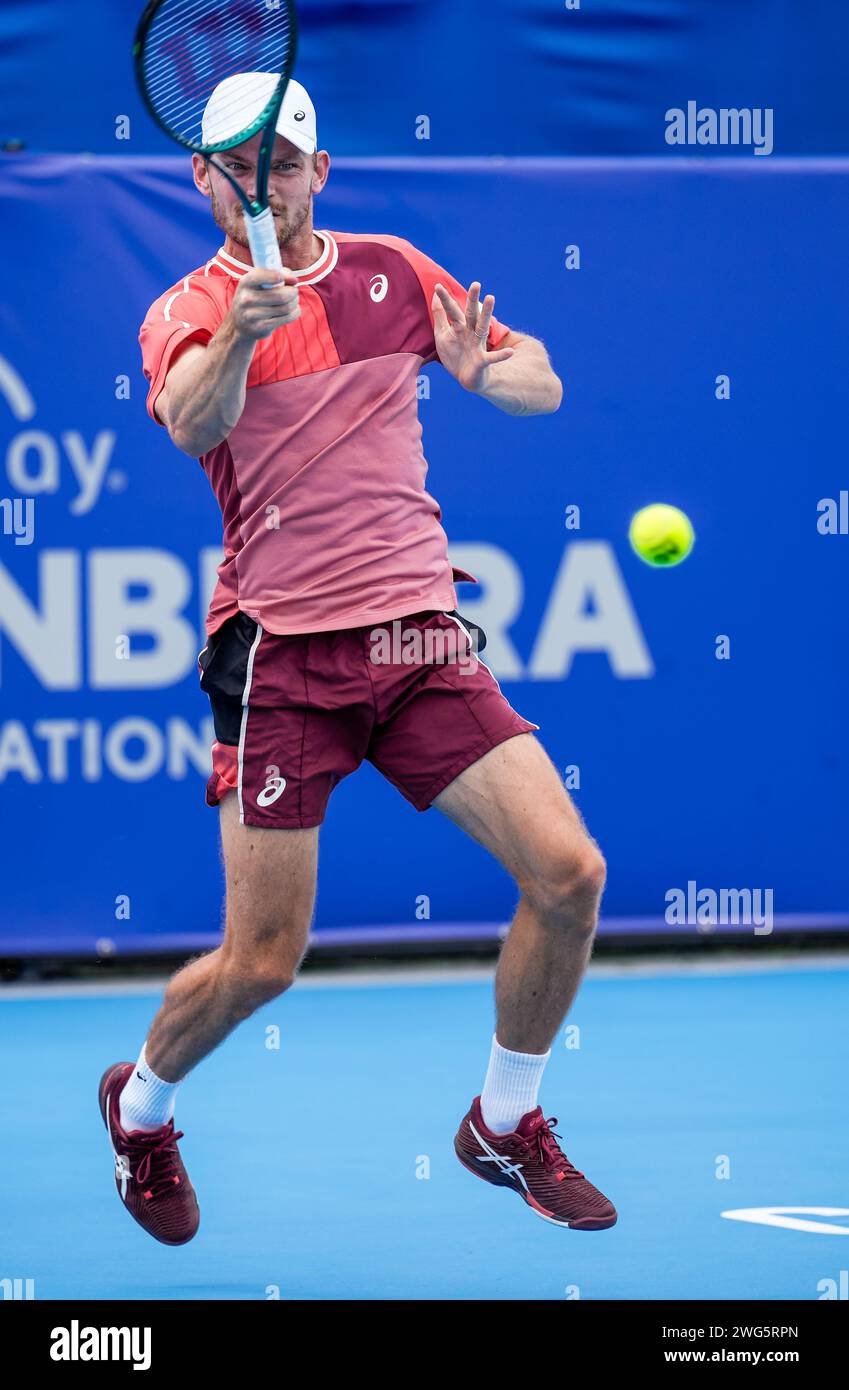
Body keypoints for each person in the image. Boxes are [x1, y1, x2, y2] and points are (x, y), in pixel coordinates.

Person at [99, 74, 616, 1246]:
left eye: (279, 163)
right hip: (282, 659)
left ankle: (504, 1120)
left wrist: (490, 372)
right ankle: (140, 1109)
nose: (259, 184)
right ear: (202, 181)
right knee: (262, 965)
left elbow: (542, 380)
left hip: (421, 640)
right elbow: (191, 424)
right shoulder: (188, 305)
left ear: (317, 175)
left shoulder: (391, 269)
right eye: (234, 165)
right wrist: (242, 328)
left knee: (570, 873)